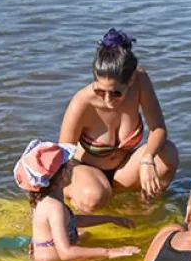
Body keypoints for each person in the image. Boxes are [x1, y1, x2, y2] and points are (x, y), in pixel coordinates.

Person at [59, 29, 178, 213]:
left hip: (123, 171)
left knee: (168, 154)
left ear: (130, 80)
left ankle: (141, 208)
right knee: (94, 195)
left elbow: (158, 128)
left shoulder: (140, 81)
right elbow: (63, 157)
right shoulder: (81, 103)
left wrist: (148, 159)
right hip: (87, 172)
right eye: (100, 91)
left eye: (116, 93)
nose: (107, 100)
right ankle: (80, 204)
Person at [14, 139, 140, 261]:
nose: (74, 168)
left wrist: (109, 218)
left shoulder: (45, 199)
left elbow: (72, 221)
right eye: (70, 166)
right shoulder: (55, 208)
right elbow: (66, 253)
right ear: (63, 176)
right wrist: (110, 252)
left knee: (85, 234)